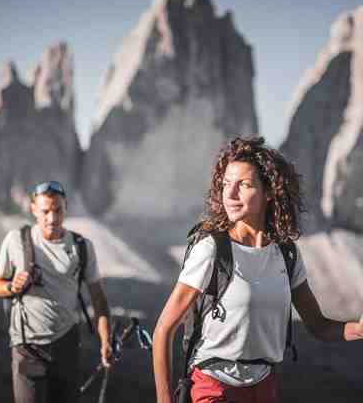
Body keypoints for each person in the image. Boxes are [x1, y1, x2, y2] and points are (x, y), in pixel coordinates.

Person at [153, 136, 363, 403]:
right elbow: (164, 329)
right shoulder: (212, 249)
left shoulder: (285, 254)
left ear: (269, 192)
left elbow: (319, 326)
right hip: (213, 388)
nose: (229, 194)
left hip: (264, 388)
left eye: (244, 185)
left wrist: (358, 329)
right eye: (226, 184)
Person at [0, 181, 112, 403]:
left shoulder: (82, 246)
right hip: (27, 347)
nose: (52, 218)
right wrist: (11, 287)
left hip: (67, 344)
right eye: (45, 211)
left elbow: (99, 298)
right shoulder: (16, 240)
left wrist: (106, 341)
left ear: (66, 208)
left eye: (58, 210)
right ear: (34, 209)